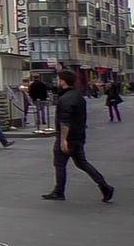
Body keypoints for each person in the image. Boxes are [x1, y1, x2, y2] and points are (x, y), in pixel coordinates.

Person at [44, 70, 114, 202]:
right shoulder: (78, 96)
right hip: (78, 136)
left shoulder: (65, 99)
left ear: (63, 81)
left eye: (59, 80)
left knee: (59, 164)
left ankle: (59, 191)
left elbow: (65, 121)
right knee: (82, 163)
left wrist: (63, 140)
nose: (58, 82)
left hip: (68, 137)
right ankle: (105, 186)